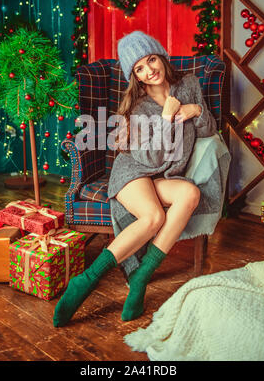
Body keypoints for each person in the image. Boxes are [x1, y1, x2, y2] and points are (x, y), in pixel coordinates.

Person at [53, 31, 217, 328]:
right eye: (139, 68)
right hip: (134, 171)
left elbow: (207, 132)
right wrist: (167, 118)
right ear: (135, 76)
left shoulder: (190, 85)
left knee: (190, 194)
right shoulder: (136, 108)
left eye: (151, 59)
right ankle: (85, 282)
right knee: (152, 217)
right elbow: (151, 159)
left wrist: (197, 110)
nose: (149, 70)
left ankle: (143, 275)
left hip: (165, 176)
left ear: (161, 57)